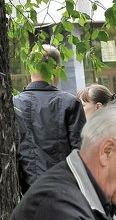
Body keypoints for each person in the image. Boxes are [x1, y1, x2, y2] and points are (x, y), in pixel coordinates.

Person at [15, 44, 87, 193]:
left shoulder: (15, 105)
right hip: (64, 190)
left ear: (29, 69)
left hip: (26, 193)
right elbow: (81, 153)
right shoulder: (70, 103)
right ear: (57, 69)